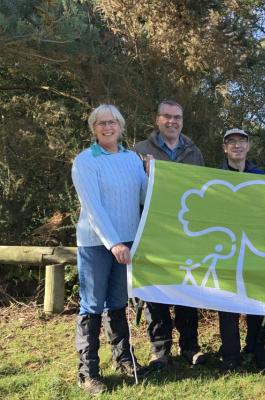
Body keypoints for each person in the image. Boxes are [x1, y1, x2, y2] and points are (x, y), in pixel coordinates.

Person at [72, 104, 148, 395]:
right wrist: (113, 242)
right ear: (93, 128)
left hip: (128, 242)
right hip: (96, 243)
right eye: (101, 123)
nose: (107, 127)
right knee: (92, 305)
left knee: (117, 302)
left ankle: (124, 359)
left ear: (121, 126)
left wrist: (152, 174)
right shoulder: (85, 161)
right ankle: (88, 373)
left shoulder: (132, 159)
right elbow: (93, 207)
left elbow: (143, 195)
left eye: (112, 122)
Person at [133, 100, 206, 369]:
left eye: (177, 117)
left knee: (187, 291)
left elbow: (201, 191)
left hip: (186, 233)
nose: (172, 121)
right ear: (157, 119)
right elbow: (134, 193)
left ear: (182, 121)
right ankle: (160, 350)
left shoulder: (193, 151)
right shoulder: (140, 151)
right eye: (167, 116)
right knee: (156, 293)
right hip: (154, 232)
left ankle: (190, 347)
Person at [217, 127, 265, 372]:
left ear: (248, 147)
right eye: (231, 142)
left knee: (258, 302)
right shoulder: (214, 176)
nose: (237, 146)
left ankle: (256, 349)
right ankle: (230, 355)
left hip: (255, 248)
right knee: (227, 304)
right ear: (225, 148)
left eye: (241, 141)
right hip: (226, 248)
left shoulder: (261, 175)